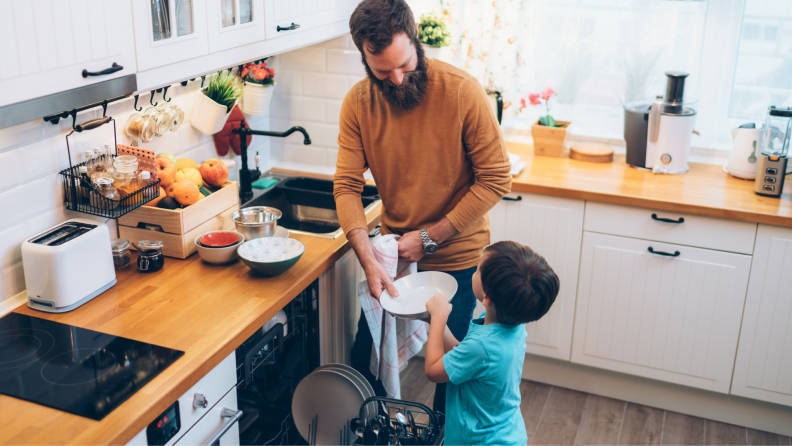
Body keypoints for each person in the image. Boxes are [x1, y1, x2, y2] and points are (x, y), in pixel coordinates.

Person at [333, 0, 512, 412]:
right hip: (395, 259)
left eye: (406, 65)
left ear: (416, 40)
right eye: (382, 71)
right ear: (364, 57)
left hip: (458, 257)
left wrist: (430, 238)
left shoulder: (463, 92)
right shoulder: (358, 104)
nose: (396, 79)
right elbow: (346, 185)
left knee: (453, 378)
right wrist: (368, 257)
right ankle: (366, 436)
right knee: (365, 364)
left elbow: (496, 178)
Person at [424, 241, 560, 446]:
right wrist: (438, 324)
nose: (475, 270)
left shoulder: (482, 346)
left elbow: (433, 371)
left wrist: (438, 319)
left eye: (478, 269)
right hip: (505, 433)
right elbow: (464, 357)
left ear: (487, 298)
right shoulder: (512, 326)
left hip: (479, 440)